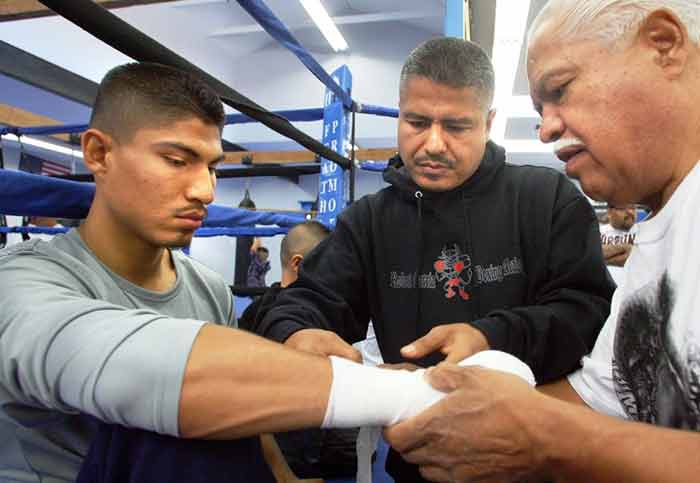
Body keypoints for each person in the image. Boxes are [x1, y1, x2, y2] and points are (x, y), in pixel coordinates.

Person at [0, 62, 483, 482]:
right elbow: (148, 376)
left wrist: (285, 478)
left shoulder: (205, 287)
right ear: (99, 153)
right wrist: (408, 392)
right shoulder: (22, 283)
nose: (206, 191)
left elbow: (242, 420)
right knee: (171, 425)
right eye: (176, 160)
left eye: (211, 166)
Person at [256, 37, 615, 482]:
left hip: (535, 460)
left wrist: (489, 337)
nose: (433, 143)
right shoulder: (370, 220)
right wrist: (297, 332)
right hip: (421, 461)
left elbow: (589, 312)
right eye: (417, 122)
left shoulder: (546, 200)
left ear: (488, 122)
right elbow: (307, 298)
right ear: (400, 112)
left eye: (457, 126)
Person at [384, 1, 700, 481]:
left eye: (561, 89)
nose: (547, 127)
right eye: (539, 109)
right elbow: (598, 399)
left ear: (663, 45)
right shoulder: (660, 242)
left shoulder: (546, 199)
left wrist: (548, 435)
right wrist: (430, 394)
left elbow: (564, 424)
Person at [241, 221, 359, 480]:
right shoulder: (260, 317)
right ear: (298, 263)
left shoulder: (331, 312)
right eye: (328, 268)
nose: (337, 277)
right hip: (288, 452)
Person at [601, 203, 637, 286]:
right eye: (622, 208)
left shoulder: (644, 232)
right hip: (605, 290)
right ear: (609, 212)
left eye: (633, 208)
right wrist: (625, 248)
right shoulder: (598, 232)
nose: (630, 212)